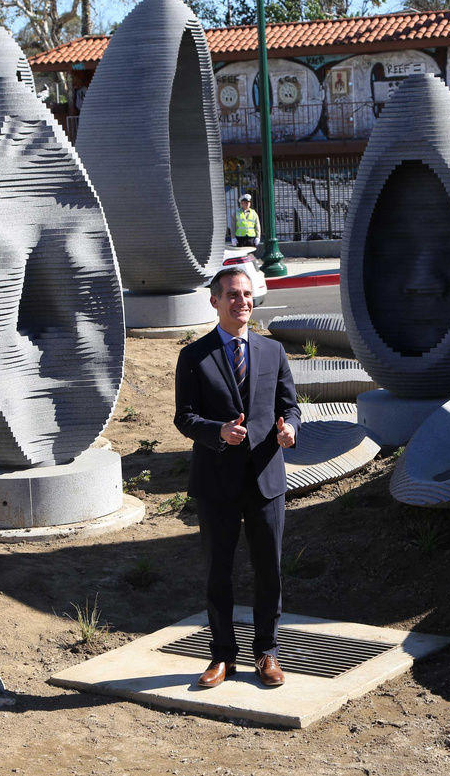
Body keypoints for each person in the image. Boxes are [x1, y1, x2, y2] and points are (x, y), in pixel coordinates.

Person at [174, 267, 300, 688]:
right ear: (215, 301)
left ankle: (267, 653)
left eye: (246, 294)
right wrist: (217, 433)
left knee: (270, 571)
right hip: (216, 482)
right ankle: (221, 657)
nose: (241, 301)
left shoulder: (272, 352)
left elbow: (290, 406)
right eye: (231, 294)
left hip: (266, 479)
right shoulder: (194, 356)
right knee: (218, 573)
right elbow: (184, 418)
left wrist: (290, 430)